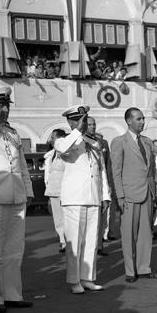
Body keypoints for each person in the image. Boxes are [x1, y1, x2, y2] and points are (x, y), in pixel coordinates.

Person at [54, 105, 110, 294]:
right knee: (75, 241)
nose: (84, 123)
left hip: (93, 196)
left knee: (91, 240)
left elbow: (100, 170)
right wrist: (76, 131)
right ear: (71, 122)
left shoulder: (93, 141)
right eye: (80, 120)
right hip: (75, 198)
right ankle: (74, 279)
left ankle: (87, 277)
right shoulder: (64, 140)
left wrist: (105, 196)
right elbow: (62, 149)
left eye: (85, 120)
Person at [0, 86, 34, 313]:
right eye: (0, 105)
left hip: (16, 196)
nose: (5, 110)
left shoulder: (12, 133)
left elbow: (22, 166)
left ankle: (13, 294)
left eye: (7, 106)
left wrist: (28, 191)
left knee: (15, 249)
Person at [111, 108, 157, 283]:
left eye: (143, 118)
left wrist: (156, 191)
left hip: (147, 192)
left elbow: (153, 168)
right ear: (129, 121)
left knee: (146, 233)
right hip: (129, 194)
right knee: (128, 234)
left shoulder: (147, 142)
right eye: (138, 119)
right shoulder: (119, 142)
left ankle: (144, 268)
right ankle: (130, 271)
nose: (142, 122)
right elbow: (116, 171)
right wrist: (120, 196)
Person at [86, 117, 114, 255]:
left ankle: (99, 246)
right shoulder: (79, 141)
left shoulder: (102, 143)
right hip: (85, 187)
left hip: (100, 184)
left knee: (100, 219)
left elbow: (107, 166)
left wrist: (108, 186)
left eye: (94, 124)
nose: (92, 127)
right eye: (89, 124)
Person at [44, 128, 67, 253]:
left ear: (60, 138)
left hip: (64, 189)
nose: (51, 140)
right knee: (57, 218)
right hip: (53, 189)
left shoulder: (65, 151)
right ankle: (63, 240)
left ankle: (67, 240)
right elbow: (48, 174)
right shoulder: (51, 154)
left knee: (66, 216)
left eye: (53, 137)